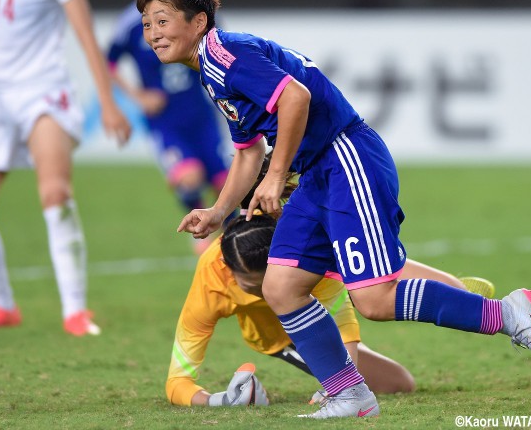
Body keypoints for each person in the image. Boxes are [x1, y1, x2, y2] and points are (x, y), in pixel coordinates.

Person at [138, 0, 531, 418]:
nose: (153, 33)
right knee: (281, 287)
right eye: (147, 24)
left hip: (344, 159)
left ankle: (509, 315)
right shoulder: (213, 69)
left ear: (197, 22)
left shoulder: (226, 55)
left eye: (163, 21)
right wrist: (219, 212)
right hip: (318, 172)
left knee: (374, 299)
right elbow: (246, 151)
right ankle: (350, 393)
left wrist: (276, 176)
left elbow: (295, 97)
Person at [167, 157, 496, 407]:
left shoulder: (295, 258)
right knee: (399, 384)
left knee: (450, 288)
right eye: (253, 285)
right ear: (228, 269)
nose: (267, 290)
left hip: (326, 276)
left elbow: (346, 328)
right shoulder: (212, 281)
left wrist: (337, 389)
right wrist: (218, 400)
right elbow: (177, 381)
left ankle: (461, 297)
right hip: (286, 336)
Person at [0, 0, 132, 336]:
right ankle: (1, 304)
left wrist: (107, 103)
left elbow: (85, 34)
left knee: (54, 192)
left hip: (45, 94)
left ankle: (75, 311)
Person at [106, 0, 230, 254]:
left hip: (199, 112)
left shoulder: (190, 15)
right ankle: (199, 228)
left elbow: (219, 48)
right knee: (189, 177)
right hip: (165, 119)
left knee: (225, 182)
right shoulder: (131, 24)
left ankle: (234, 239)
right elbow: (106, 62)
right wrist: (137, 96)